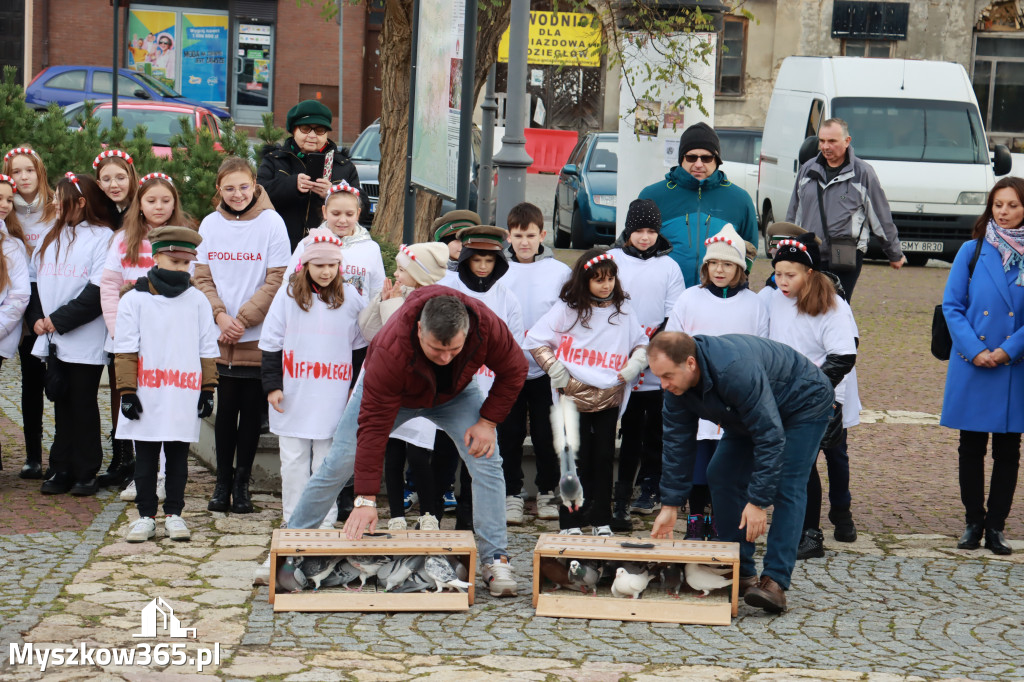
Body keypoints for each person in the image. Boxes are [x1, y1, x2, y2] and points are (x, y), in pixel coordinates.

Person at [286, 289, 528, 597]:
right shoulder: (391, 348)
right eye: (436, 349)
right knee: (340, 460)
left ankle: (496, 558)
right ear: (418, 330)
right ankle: (290, 548)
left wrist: (488, 422)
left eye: (454, 349)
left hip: (455, 395)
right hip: (394, 394)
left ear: (467, 331)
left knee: (486, 459)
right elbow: (372, 431)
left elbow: (515, 368)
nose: (445, 357)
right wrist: (365, 500)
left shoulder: (486, 326)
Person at [649, 331, 834, 614]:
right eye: (658, 377)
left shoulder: (734, 371)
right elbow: (676, 444)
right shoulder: (677, 389)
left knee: (788, 484)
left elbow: (770, 437)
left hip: (803, 403)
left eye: (667, 376)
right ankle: (741, 571)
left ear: (690, 363)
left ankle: (775, 581)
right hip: (749, 413)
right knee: (721, 473)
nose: (663, 385)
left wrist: (758, 501)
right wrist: (671, 504)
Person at [525, 250, 649, 537]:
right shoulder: (567, 309)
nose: (605, 285)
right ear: (584, 280)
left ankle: (601, 518)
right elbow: (535, 339)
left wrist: (635, 363)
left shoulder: (624, 310)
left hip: (609, 394)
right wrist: (554, 368)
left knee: (604, 458)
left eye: (610, 278)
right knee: (573, 458)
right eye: (598, 280)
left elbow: (641, 342)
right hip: (573, 394)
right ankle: (571, 521)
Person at [194, 157, 291, 514]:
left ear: (255, 185)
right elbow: (201, 277)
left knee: (251, 414)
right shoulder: (209, 224)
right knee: (225, 413)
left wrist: (244, 319)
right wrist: (220, 315)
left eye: (244, 186)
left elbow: (277, 278)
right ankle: (221, 483)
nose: (237, 194)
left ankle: (242, 484)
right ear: (219, 189)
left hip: (256, 334)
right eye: (229, 188)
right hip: (220, 334)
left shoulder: (272, 223)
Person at [759, 222, 862, 557]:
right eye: (778, 273)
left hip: (822, 397)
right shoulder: (773, 299)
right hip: (783, 397)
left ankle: (811, 534)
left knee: (802, 465)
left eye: (791, 274)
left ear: (809, 272)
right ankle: (794, 526)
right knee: (788, 464)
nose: (783, 281)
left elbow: (844, 355)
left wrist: (813, 391)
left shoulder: (831, 304)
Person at [117, 226, 220, 543]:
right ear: (157, 256)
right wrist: (127, 392)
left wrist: (208, 388)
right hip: (148, 391)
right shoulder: (134, 300)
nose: (180, 268)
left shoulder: (198, 300)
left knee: (177, 455)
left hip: (181, 391)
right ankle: (145, 515)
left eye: (185, 263)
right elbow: (126, 348)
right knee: (145, 457)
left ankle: (175, 513)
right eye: (174, 261)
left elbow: (206, 346)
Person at [665, 224, 768, 539]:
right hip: (698, 392)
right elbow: (673, 341)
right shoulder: (689, 299)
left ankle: (721, 520)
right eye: (713, 263)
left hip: (737, 394)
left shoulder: (755, 304)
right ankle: (696, 519)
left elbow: (763, 347)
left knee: (727, 464)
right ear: (705, 267)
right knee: (700, 462)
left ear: (739, 268)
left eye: (727, 264)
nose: (719, 270)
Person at [261, 227, 367, 529]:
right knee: (293, 459)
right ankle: (293, 519)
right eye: (319, 265)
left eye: (332, 266)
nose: (326, 272)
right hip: (294, 392)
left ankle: (323, 520)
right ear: (306, 265)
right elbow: (271, 343)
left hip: (333, 395)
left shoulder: (351, 298)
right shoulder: (288, 296)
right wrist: (273, 385)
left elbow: (360, 349)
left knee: (327, 463)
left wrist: (352, 390)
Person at [941, 176, 1024, 556]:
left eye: (1012, 205)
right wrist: (976, 350)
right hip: (971, 362)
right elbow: (952, 307)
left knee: (1008, 450)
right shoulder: (971, 251)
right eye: (998, 205)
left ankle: (996, 527)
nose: (1003, 212)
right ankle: (973, 521)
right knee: (970, 446)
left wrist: (1008, 350)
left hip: (1014, 365)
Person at [101, 172, 193, 495]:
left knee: (168, 404)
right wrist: (118, 331)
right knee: (141, 408)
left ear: (174, 203)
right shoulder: (124, 240)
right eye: (151, 200)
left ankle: (168, 477)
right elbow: (110, 287)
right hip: (134, 340)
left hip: (170, 341)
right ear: (139, 203)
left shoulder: (183, 239)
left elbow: (191, 287)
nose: (158, 206)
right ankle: (144, 477)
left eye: (165, 200)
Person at [27, 173, 116, 496]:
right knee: (60, 401)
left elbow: (97, 291)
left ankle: (86, 470)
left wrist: (57, 320)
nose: (53, 203)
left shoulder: (103, 238)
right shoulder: (51, 235)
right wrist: (37, 318)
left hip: (84, 335)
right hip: (52, 337)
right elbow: (34, 282)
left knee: (82, 403)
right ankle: (60, 467)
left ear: (80, 203)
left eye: (60, 198)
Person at [358, 242, 451, 533]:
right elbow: (371, 331)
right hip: (391, 387)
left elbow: (406, 341)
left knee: (418, 453)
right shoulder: (395, 295)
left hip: (420, 387)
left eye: (402, 269)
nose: (396, 274)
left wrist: (392, 305)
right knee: (393, 452)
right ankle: (396, 512)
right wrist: (381, 301)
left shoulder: (433, 302)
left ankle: (429, 512)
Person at [606, 199, 684, 529]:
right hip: (623, 359)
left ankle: (651, 487)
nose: (644, 237)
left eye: (651, 231)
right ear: (628, 230)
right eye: (638, 230)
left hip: (657, 361)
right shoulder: (613, 260)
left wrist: (654, 351)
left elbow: (672, 314)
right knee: (630, 431)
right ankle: (621, 495)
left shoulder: (669, 267)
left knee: (658, 432)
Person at [440, 224, 525, 526]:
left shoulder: (508, 299)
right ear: (466, 260)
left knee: (478, 459)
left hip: (488, 391)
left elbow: (514, 351)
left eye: (489, 261)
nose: (483, 267)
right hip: (448, 390)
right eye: (477, 260)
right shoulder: (448, 288)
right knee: (444, 457)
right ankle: (432, 520)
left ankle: (469, 524)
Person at [497, 202, 570, 523]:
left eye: (530, 235)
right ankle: (511, 493)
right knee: (508, 433)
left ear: (542, 234)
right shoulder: (498, 270)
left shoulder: (559, 272)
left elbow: (569, 318)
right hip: (508, 368)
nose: (524, 242)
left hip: (546, 368)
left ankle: (546, 493)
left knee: (546, 434)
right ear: (508, 236)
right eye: (517, 235)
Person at [786, 117, 905, 301]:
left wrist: (894, 252)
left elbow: (880, 216)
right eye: (822, 141)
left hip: (845, 254)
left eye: (832, 141)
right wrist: (787, 246)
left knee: (835, 305)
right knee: (806, 303)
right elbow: (794, 213)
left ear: (847, 141)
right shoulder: (807, 170)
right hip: (810, 252)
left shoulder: (863, 173)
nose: (826, 146)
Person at [638, 122, 758, 288]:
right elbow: (635, 244)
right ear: (681, 159)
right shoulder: (653, 196)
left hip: (718, 299)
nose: (699, 164)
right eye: (691, 157)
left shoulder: (740, 199)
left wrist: (735, 286)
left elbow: (749, 250)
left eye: (707, 158)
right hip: (666, 296)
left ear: (717, 160)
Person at [3, 146, 56, 480]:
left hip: (55, 292)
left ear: (40, 173)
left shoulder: (54, 208)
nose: (23, 178)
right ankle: (33, 455)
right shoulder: (8, 210)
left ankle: (66, 451)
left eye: (29, 170)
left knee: (63, 375)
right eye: (16, 171)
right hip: (23, 298)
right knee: (31, 377)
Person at [257, 100, 363, 249]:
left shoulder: (343, 165)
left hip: (327, 253)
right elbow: (258, 195)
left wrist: (333, 193)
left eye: (320, 130)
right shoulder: (275, 160)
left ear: (327, 134)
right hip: (281, 247)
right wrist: (292, 185)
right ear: (294, 130)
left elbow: (362, 206)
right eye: (305, 129)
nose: (312, 135)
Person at [287, 181, 383, 300]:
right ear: (325, 212)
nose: (342, 220)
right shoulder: (309, 244)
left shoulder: (371, 248)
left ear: (358, 214)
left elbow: (377, 293)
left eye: (349, 214)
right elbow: (288, 284)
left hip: (360, 317)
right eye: (336, 214)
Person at [0, 174, 31, 469]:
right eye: (0, 198)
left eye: (9, 199)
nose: (6, 205)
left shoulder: (11, 246)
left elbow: (20, 295)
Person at [93, 150, 138, 227]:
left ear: (131, 178)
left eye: (120, 178)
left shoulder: (143, 209)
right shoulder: (99, 212)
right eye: (106, 180)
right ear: (99, 184)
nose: (113, 185)